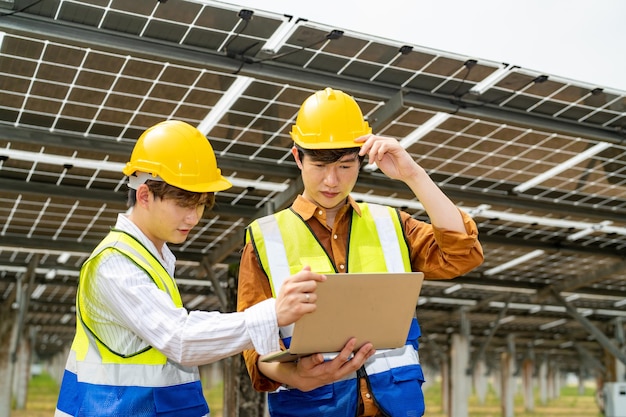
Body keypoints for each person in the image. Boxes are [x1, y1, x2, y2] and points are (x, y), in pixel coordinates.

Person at [237, 87, 484, 417]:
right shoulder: (264, 238)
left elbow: (462, 253)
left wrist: (413, 174)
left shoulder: (391, 223)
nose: (332, 180)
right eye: (320, 165)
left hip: (393, 407)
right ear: (297, 157)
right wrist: (293, 376)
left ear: (361, 160)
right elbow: (253, 343)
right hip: (314, 406)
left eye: (345, 166)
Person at [55, 120, 326, 417]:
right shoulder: (114, 264)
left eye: (200, 205)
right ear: (144, 195)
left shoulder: (153, 259)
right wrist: (272, 314)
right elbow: (180, 339)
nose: (194, 217)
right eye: (183, 203)